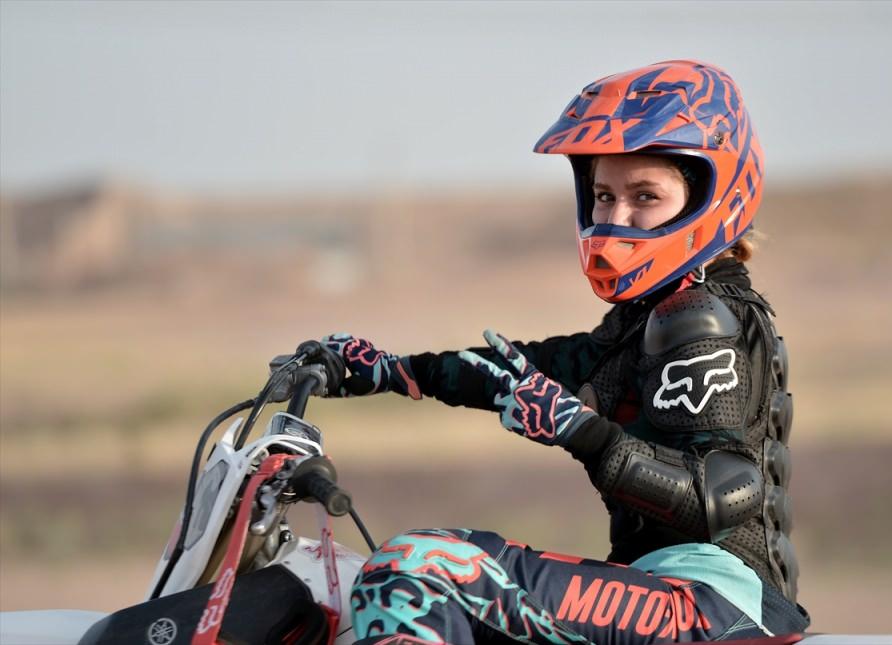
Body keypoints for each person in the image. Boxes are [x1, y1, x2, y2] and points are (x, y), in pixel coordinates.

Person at [290, 60, 809, 644]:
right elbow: (513, 371)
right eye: (604, 196)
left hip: (708, 605)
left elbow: (722, 494)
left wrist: (579, 430)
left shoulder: (702, 318)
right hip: (663, 592)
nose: (615, 217)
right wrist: (386, 370)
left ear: (709, 198)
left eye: (645, 196)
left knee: (419, 569)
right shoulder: (641, 324)